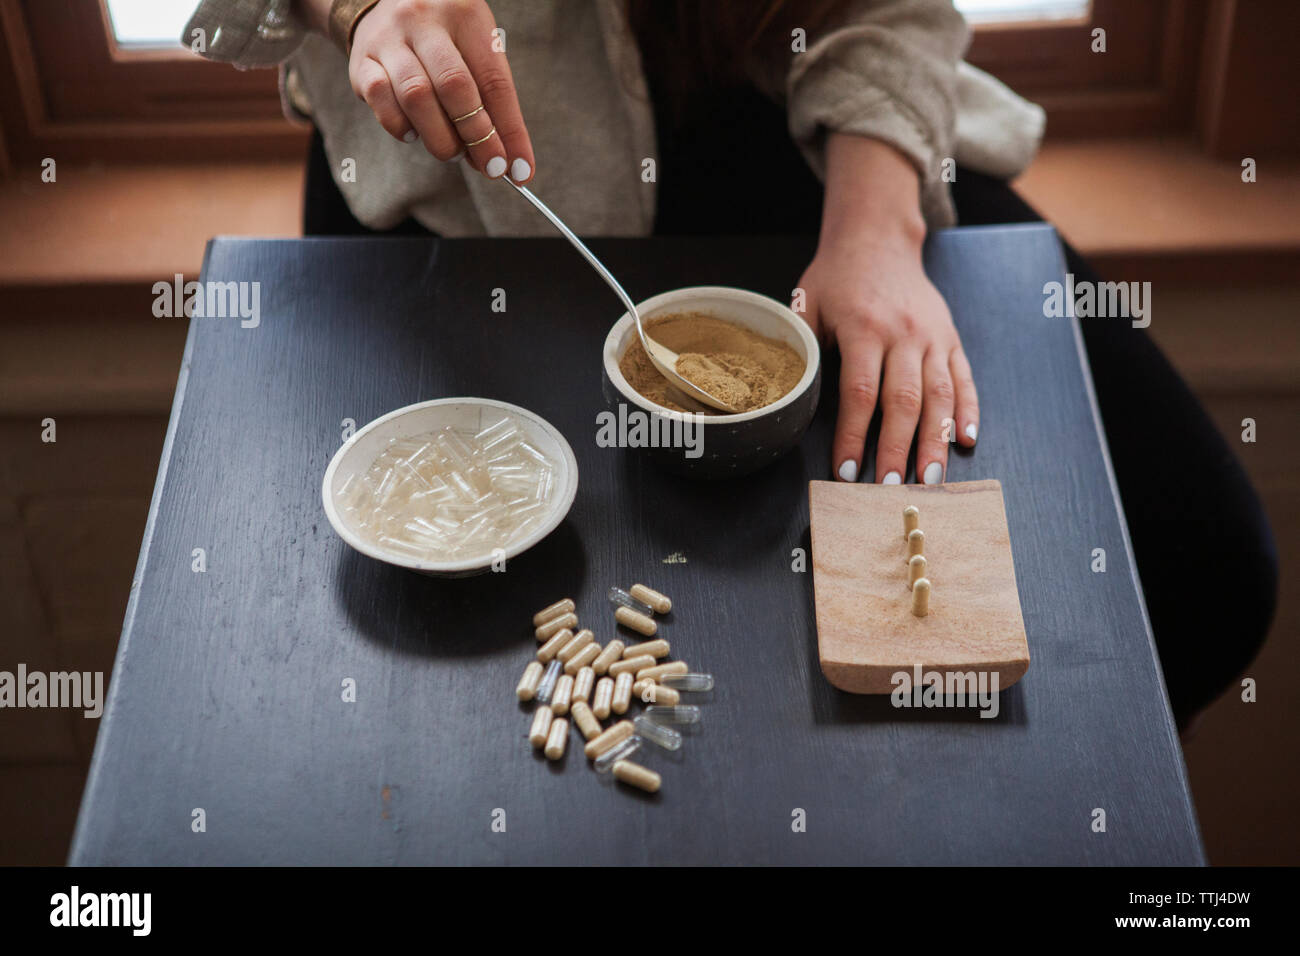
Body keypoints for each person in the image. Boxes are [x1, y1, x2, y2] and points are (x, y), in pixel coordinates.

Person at [185, 0, 1275, 729]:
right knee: (409, 689)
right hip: (439, 181)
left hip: (802, 124)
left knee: (1200, 559)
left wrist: (880, 227)